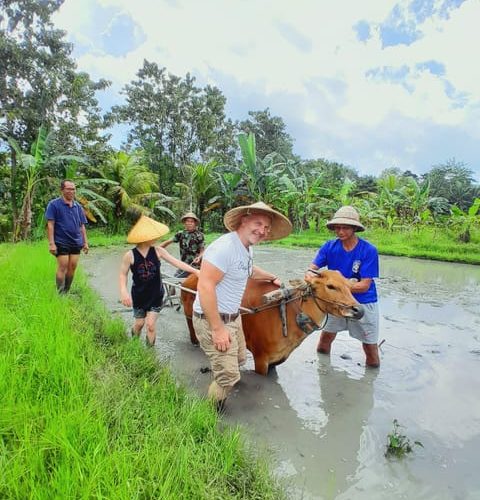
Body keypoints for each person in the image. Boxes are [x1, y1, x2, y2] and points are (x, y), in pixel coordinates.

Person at [192, 201, 292, 409]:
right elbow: (205, 287)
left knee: (238, 359)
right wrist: (218, 329)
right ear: (243, 220)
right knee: (229, 377)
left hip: (233, 317)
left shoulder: (245, 248)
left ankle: (219, 368)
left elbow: (248, 269)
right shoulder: (224, 248)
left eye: (266, 227)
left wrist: (271, 276)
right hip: (214, 319)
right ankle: (210, 416)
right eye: (258, 223)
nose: (262, 231)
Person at [306, 206, 380, 368]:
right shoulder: (329, 247)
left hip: (362, 303)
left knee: (370, 347)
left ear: (354, 228)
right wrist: (310, 275)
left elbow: (364, 286)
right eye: (337, 228)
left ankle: (370, 380)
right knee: (325, 340)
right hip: (334, 302)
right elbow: (312, 268)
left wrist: (334, 286)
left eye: (345, 228)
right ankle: (323, 371)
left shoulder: (368, 250)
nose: (340, 232)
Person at [119, 215, 200, 347]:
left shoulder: (158, 251)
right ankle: (133, 346)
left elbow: (177, 263)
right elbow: (123, 274)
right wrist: (123, 292)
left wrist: (195, 271)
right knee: (139, 324)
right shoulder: (130, 255)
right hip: (139, 295)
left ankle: (150, 354)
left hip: (156, 294)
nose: (156, 238)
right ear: (145, 237)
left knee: (150, 325)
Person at [45, 179, 89, 294]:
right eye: (68, 189)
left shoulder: (78, 207)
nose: (71, 191)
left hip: (76, 242)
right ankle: (60, 294)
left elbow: (82, 226)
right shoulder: (54, 205)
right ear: (62, 190)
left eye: (73, 189)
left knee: (72, 267)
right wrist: (51, 243)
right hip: (61, 241)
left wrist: (85, 242)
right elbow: (50, 225)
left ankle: (66, 291)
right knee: (63, 266)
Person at [159, 211, 205, 278]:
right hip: (183, 265)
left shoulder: (199, 235)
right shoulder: (180, 234)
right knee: (175, 281)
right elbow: (168, 242)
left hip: (195, 265)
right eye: (187, 221)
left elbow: (202, 250)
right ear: (185, 223)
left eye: (191, 222)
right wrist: (156, 250)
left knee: (175, 279)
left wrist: (199, 257)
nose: (189, 223)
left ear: (195, 223)